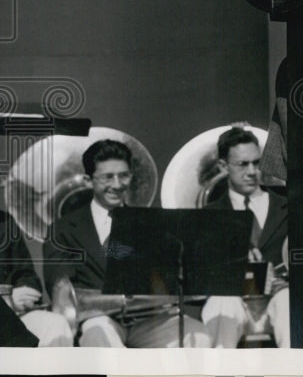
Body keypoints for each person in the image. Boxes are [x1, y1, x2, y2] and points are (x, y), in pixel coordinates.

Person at [43, 139, 211, 347]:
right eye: (107, 177)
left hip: (149, 319)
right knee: (99, 337)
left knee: (200, 335)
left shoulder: (151, 223)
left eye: (123, 175)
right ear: (88, 180)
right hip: (99, 319)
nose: (117, 185)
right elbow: (60, 287)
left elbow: (170, 278)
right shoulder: (63, 228)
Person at [0, 146, 73, 347]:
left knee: (55, 324)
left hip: (9, 321)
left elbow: (26, 273)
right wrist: (2, 300)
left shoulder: (5, 222)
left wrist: (24, 290)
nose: (2, 184)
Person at [201, 127, 290, 347]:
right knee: (220, 305)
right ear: (223, 166)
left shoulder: (290, 207)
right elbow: (203, 273)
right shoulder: (208, 215)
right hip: (233, 296)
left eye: (257, 162)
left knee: (290, 304)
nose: (252, 171)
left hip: (279, 294)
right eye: (242, 164)